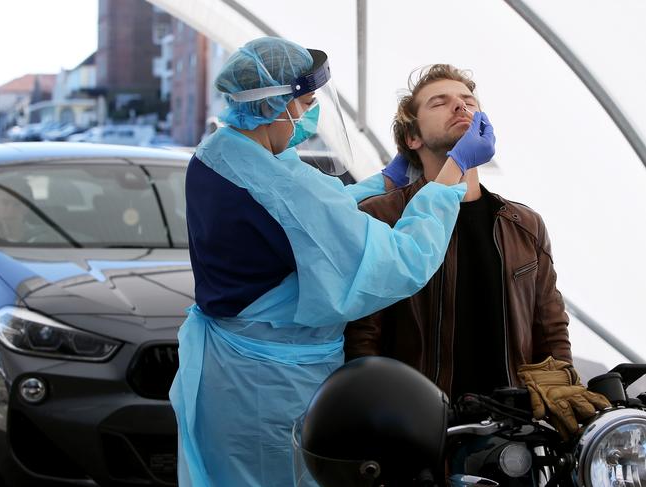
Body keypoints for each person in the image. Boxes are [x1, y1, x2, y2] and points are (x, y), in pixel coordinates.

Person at [170, 40, 495, 486]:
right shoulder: (280, 186)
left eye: (467, 100)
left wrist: (384, 181)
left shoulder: (221, 153)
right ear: (273, 105)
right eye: (303, 103)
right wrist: (450, 175)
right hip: (272, 385)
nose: (308, 114)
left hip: (232, 370)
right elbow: (401, 260)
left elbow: (311, 215)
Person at [344, 64, 609, 440]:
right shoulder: (381, 215)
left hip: (513, 428)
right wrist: (372, 417)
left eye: (469, 101)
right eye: (440, 102)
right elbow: (363, 334)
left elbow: (550, 325)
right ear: (412, 138)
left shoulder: (524, 224)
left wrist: (559, 384)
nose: (460, 107)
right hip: (419, 431)